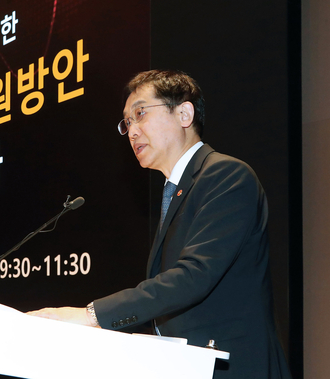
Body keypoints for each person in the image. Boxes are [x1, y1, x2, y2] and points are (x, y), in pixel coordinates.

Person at [28, 70, 291, 378]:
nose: (132, 131)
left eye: (140, 114)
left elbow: (193, 277)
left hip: (232, 368)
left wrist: (92, 316)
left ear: (184, 113)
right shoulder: (175, 190)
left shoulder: (226, 176)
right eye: (127, 123)